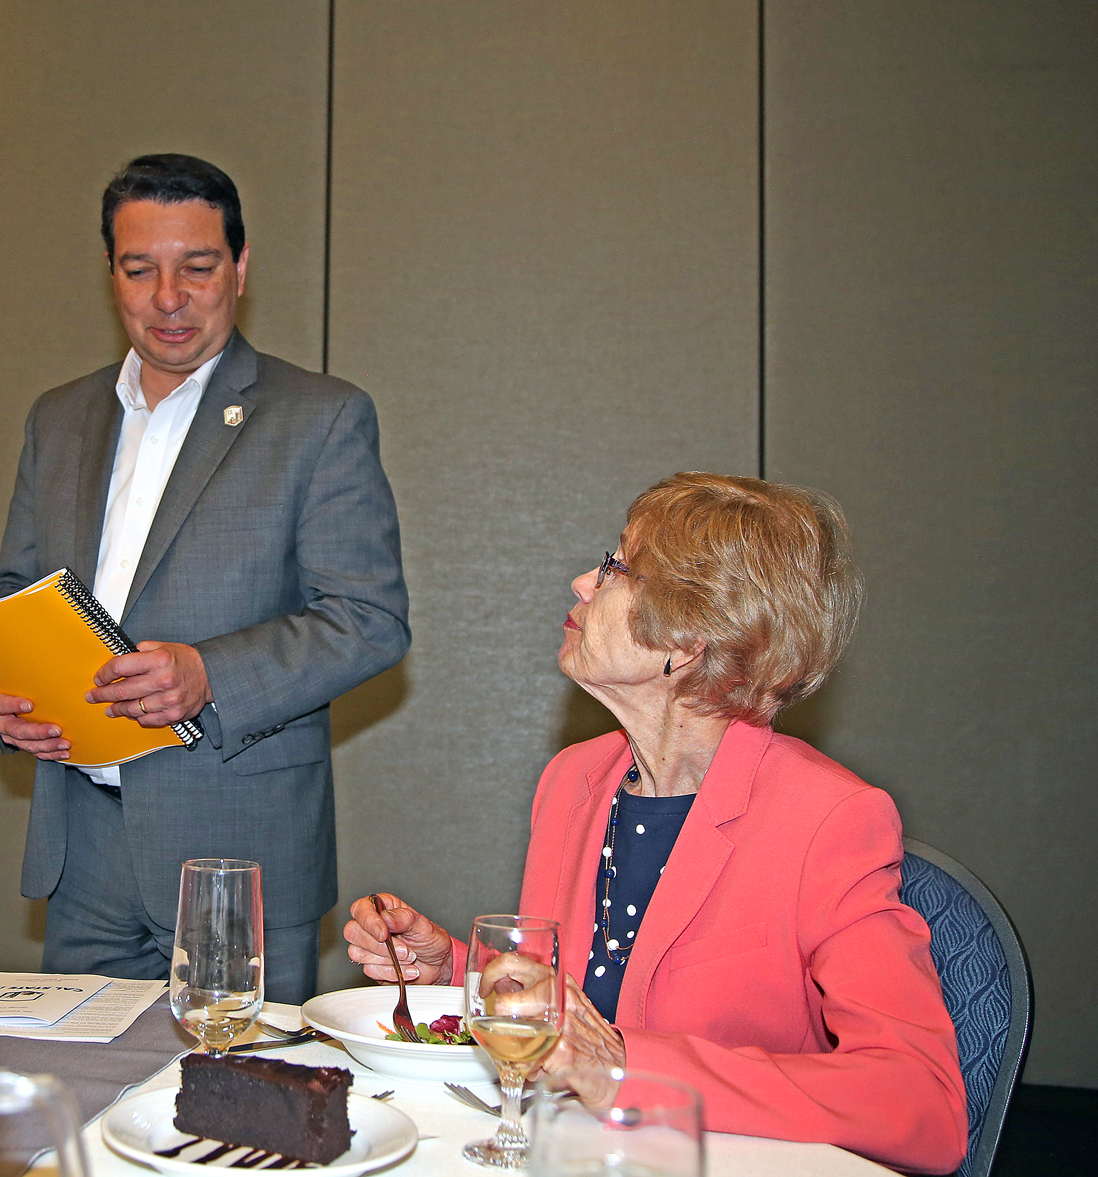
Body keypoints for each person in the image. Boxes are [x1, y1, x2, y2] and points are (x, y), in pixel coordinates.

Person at [344, 473, 967, 1174]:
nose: (584, 582)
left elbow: (922, 1102)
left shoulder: (828, 818)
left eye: (616, 569)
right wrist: (452, 970)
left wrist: (626, 1064)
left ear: (692, 636)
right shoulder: (574, 781)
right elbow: (579, 1006)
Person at [0, 154, 409, 1004]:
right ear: (111, 274)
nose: (168, 296)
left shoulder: (319, 417)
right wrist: (15, 695)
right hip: (83, 852)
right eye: (140, 270)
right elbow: (19, 593)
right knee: (82, 1115)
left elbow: (368, 619)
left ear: (241, 270)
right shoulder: (58, 418)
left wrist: (210, 674)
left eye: (198, 267)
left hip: (237, 850)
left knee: (238, 1114)